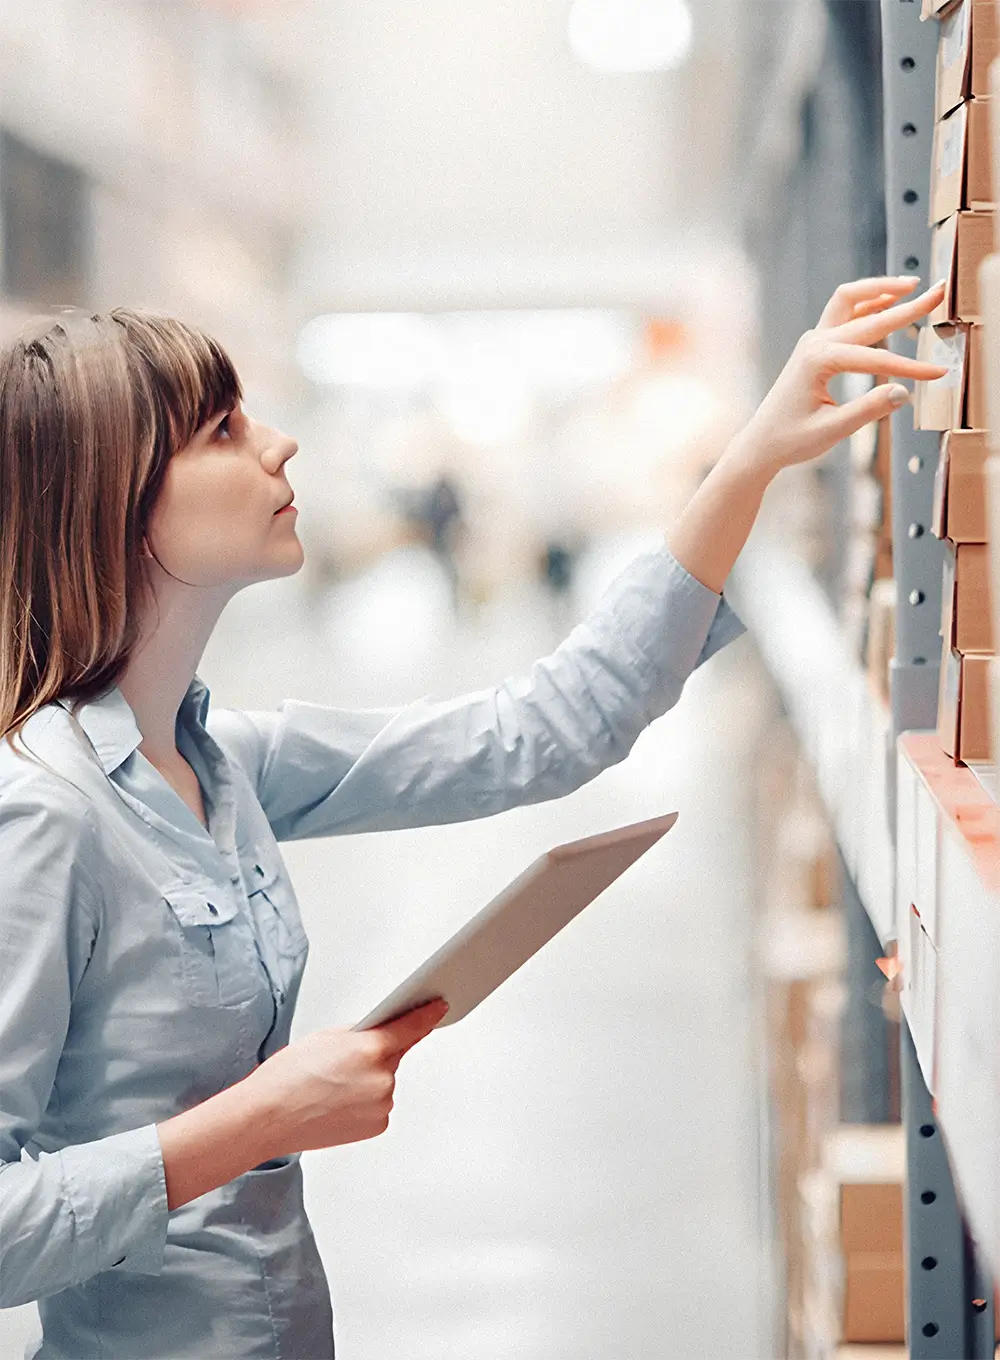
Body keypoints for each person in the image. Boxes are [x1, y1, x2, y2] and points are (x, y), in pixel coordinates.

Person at [0, 278, 945, 1360]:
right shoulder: (45, 814)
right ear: (118, 498)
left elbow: (539, 729)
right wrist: (260, 1118)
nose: (281, 443)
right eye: (223, 429)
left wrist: (749, 461)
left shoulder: (225, 763)